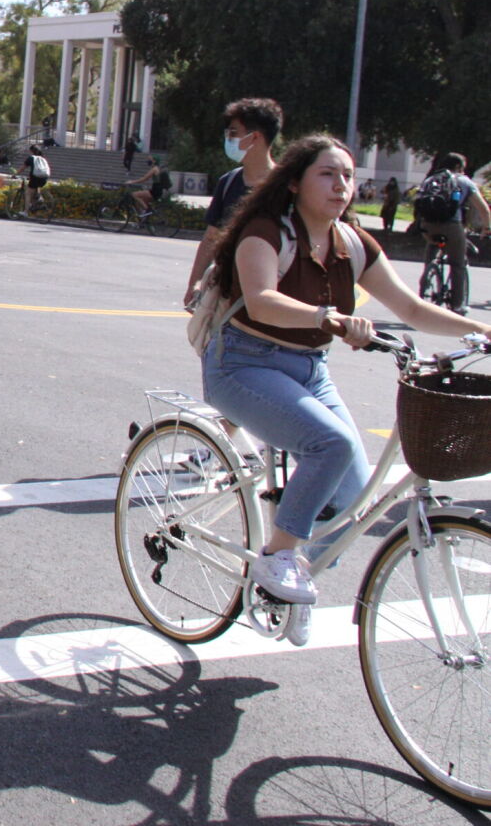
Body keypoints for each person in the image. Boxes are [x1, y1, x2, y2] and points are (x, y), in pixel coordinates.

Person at [202, 135, 491, 647]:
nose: (342, 185)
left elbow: (413, 310)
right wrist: (327, 317)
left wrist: (483, 332)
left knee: (353, 495)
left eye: (348, 176)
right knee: (329, 443)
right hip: (243, 363)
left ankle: (288, 583)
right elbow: (262, 301)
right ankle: (278, 560)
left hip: (309, 368)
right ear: (295, 182)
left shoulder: (352, 242)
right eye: (327, 174)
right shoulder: (265, 231)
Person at [186, 98, 282, 306]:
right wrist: (194, 283)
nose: (228, 139)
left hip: (272, 299)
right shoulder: (228, 182)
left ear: (255, 137)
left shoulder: (287, 188)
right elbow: (211, 238)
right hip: (226, 298)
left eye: (233, 133)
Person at [417, 153, 491, 314]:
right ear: (458, 167)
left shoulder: (431, 179)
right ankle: (457, 305)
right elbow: (483, 209)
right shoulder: (464, 181)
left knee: (431, 252)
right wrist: (487, 228)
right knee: (458, 264)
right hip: (451, 226)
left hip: (427, 226)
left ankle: (426, 281)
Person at [19, 143, 50, 213]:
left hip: (35, 177)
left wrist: (15, 174)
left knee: (28, 193)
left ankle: (25, 212)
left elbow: (23, 168)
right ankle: (39, 200)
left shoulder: (31, 158)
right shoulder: (43, 158)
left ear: (31, 151)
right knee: (36, 188)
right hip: (44, 177)